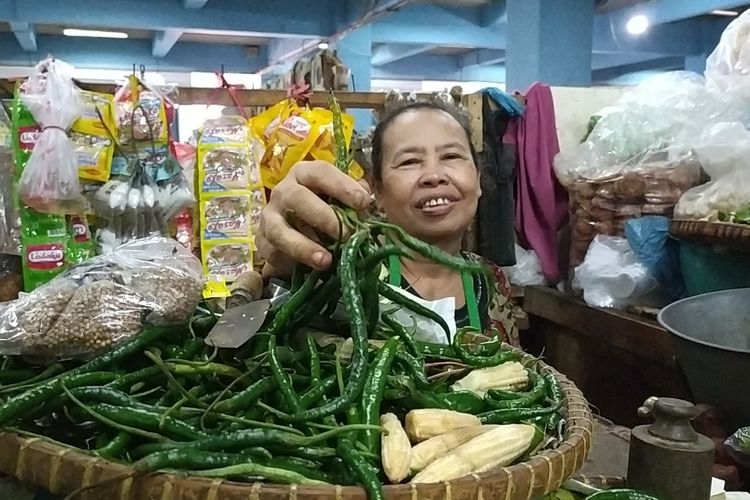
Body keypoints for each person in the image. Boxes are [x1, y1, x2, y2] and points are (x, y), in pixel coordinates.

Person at [256, 101, 519, 346]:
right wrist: (288, 258)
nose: (434, 176)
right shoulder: (350, 269)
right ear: (377, 191)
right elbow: (281, 318)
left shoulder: (491, 280)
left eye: (451, 156)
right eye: (409, 162)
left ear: (478, 177)